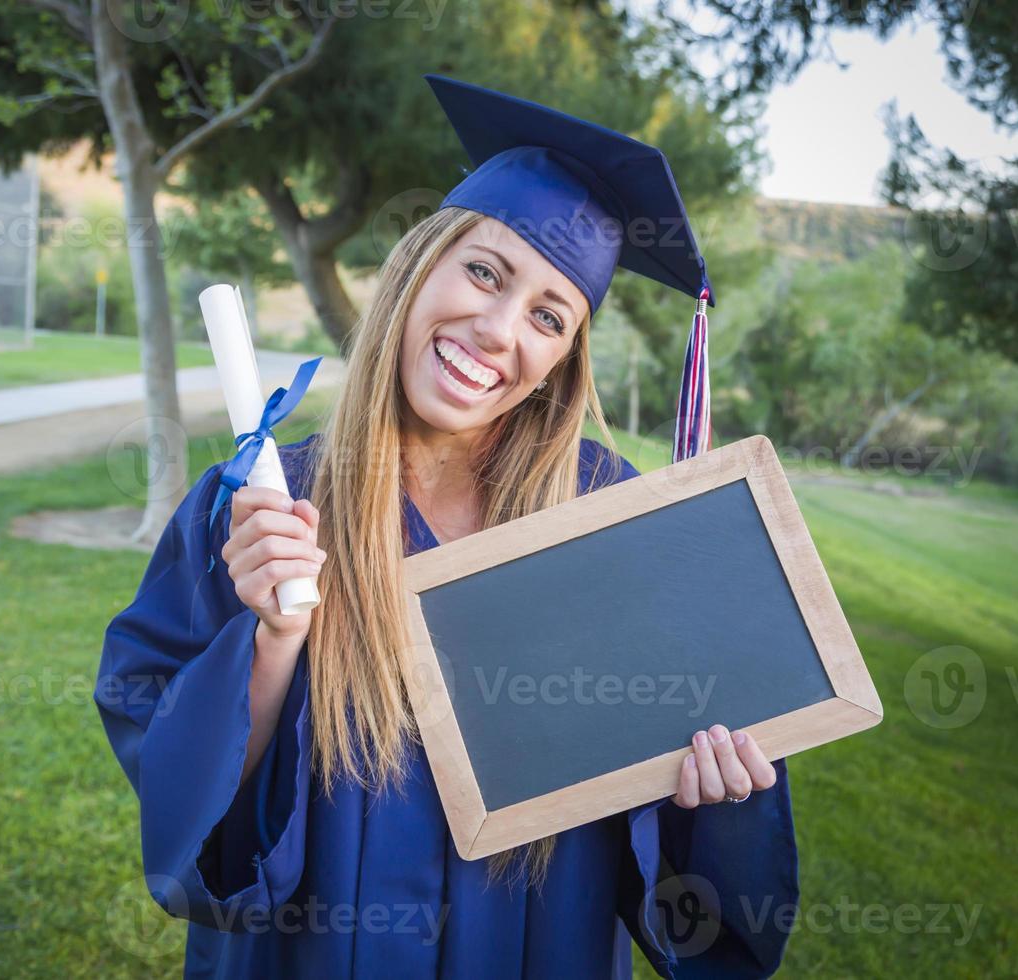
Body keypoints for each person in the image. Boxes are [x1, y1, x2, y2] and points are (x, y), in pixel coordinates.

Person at [95, 75, 798, 979]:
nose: (499, 329)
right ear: (417, 265)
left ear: (558, 362)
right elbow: (187, 804)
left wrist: (716, 801)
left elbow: (675, 838)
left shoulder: (612, 524)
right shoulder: (259, 504)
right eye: (483, 271)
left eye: (548, 316)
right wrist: (271, 642)